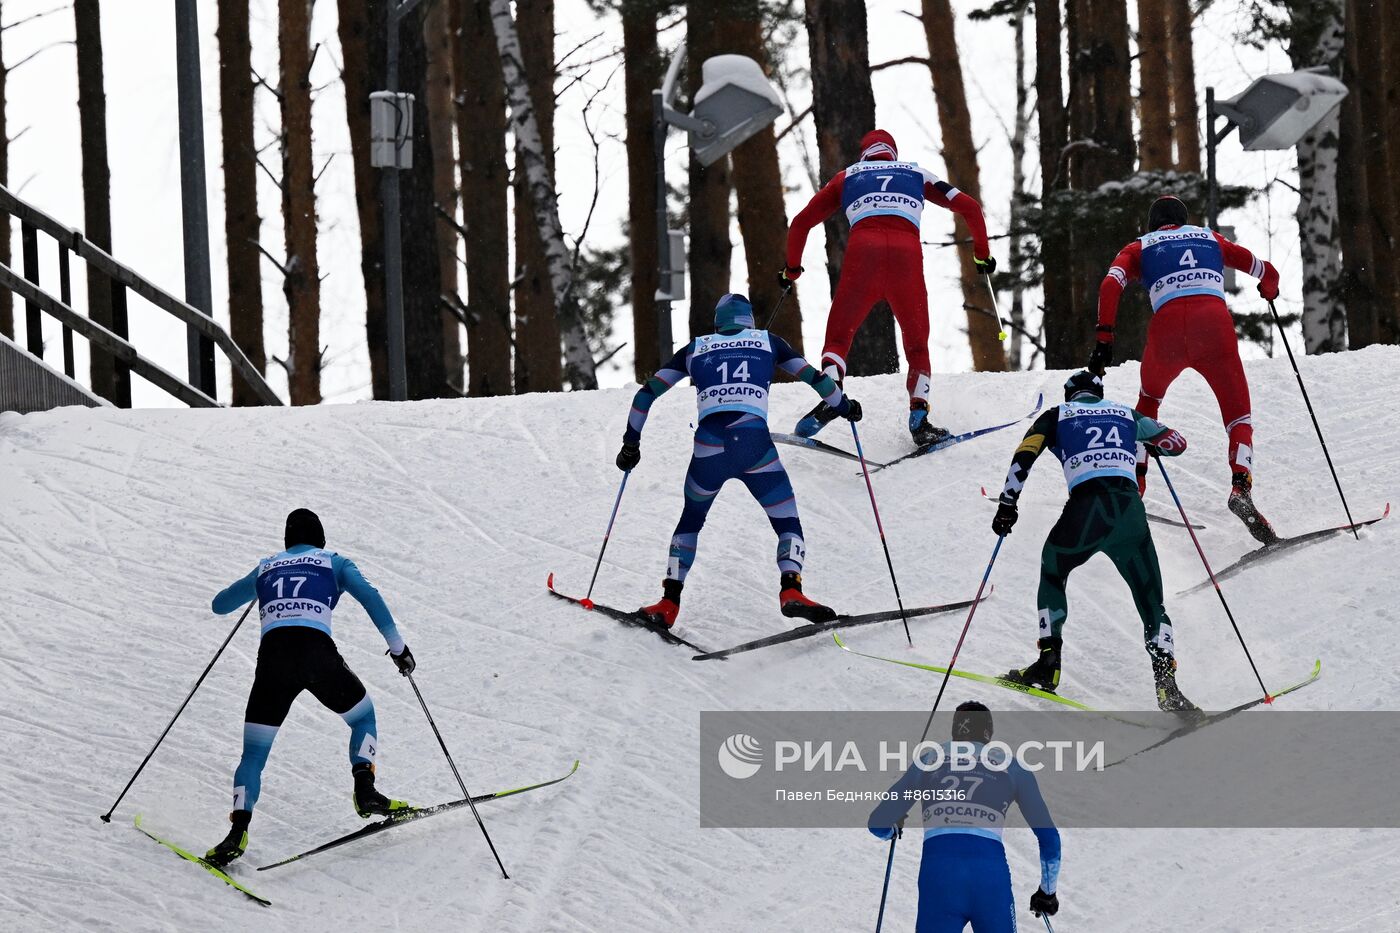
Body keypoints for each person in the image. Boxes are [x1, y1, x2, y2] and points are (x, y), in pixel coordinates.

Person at [616, 293, 861, 628]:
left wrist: (631, 444)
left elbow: (645, 395)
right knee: (786, 519)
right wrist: (844, 406)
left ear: (718, 323)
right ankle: (791, 588)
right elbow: (817, 379)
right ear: (750, 320)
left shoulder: (696, 347)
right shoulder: (768, 341)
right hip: (753, 445)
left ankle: (668, 603)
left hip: (708, 448)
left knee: (691, 520)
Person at [203, 508, 417, 867]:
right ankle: (365, 789)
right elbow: (370, 596)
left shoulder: (266, 567)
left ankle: (236, 831)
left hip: (272, 663)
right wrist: (398, 649)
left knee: (253, 754)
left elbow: (219, 605)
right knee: (363, 717)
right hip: (317, 656)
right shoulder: (334, 562)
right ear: (320, 538)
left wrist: (262, 588)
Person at [993, 371, 1198, 712]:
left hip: (1087, 510)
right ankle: (1167, 684)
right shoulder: (1125, 413)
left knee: (1053, 569)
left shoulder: (1056, 414)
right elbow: (1177, 443)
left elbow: (1024, 455)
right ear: (1100, 393)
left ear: (1069, 394)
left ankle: (1048, 662)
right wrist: (1151, 442)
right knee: (1152, 603)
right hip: (1129, 513)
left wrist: (1007, 505)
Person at [780, 128, 994, 447]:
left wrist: (792, 269)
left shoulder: (847, 175)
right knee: (917, 343)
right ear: (893, 152)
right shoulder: (915, 172)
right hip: (905, 259)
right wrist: (981, 255)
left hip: (862, 255)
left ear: (864, 154)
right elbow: (970, 207)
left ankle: (833, 392)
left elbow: (800, 222)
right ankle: (919, 418)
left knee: (839, 337)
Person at [1090, 194, 1282, 544]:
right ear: (1184, 219)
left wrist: (1105, 337)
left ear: (1153, 225)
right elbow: (1267, 271)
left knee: (1148, 402)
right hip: (1215, 328)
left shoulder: (1140, 246)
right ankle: (1241, 486)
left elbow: (1109, 284)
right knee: (1239, 418)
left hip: (1168, 333)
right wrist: (1269, 289)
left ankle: (1134, 488)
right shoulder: (1210, 237)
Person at [868, 702, 1061, 932]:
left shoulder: (929, 759)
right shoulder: (1013, 767)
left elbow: (877, 823)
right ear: (989, 732)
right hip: (990, 880)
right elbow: (1050, 839)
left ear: (955, 729)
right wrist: (1047, 893)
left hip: (940, 878)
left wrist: (892, 828)